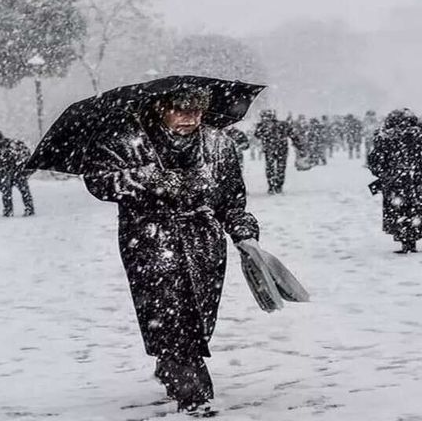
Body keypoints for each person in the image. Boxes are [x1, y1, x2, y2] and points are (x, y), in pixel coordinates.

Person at [83, 87, 263, 412]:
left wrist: (243, 233)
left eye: (196, 111)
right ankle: (192, 393)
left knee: (200, 317)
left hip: (204, 243)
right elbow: (98, 180)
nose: (190, 118)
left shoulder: (219, 143)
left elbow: (232, 199)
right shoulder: (130, 139)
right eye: (181, 110)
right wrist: (150, 178)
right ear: (161, 108)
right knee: (168, 314)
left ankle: (172, 363)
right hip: (150, 240)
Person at [367, 109, 422, 253]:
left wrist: (383, 173)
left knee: (400, 210)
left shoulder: (386, 137)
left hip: (398, 182)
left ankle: (408, 242)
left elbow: (375, 160)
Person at [0, 131, 34, 217]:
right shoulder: (15, 144)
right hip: (11, 173)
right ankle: (27, 209)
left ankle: (10, 210)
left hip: (14, 173)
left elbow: (26, 156)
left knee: (9, 193)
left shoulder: (14, 145)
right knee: (18, 192)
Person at [254, 110, 290, 194]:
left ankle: (273, 186)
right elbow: (293, 135)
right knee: (279, 168)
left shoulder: (280, 125)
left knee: (272, 168)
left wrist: (262, 129)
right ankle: (277, 186)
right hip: (279, 150)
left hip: (272, 150)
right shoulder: (282, 124)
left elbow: (257, 135)